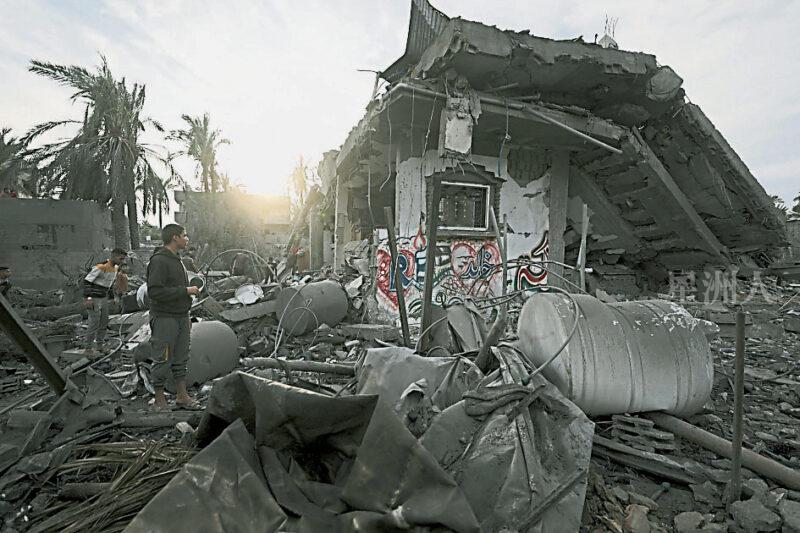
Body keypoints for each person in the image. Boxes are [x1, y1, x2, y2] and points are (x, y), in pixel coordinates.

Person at [147, 224, 200, 411]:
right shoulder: (159, 260)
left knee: (180, 358)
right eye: (185, 236)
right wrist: (185, 291)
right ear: (175, 238)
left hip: (181, 316)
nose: (187, 239)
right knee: (162, 358)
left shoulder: (177, 260)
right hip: (165, 318)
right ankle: (159, 401)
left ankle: (182, 396)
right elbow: (154, 291)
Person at [83, 248, 127, 355]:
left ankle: (99, 345)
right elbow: (87, 281)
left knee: (104, 322)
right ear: (114, 256)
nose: (122, 261)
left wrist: (112, 298)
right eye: (121, 258)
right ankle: (88, 348)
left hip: (103, 298)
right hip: (93, 298)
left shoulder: (116, 268)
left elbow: (109, 285)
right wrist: (88, 298)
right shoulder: (101, 266)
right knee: (94, 322)